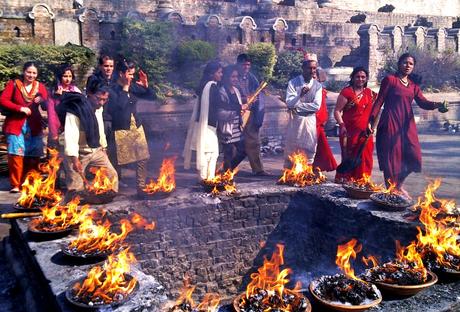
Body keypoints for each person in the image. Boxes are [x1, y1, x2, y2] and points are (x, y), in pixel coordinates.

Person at [369, 53, 448, 198]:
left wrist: (438, 105)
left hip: (407, 124)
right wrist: (371, 121)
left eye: (411, 64)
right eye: (405, 62)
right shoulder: (390, 80)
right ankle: (392, 189)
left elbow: (423, 102)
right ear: (399, 64)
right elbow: (379, 101)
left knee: (414, 156)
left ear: (413, 67)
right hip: (390, 122)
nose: (407, 66)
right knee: (391, 157)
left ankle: (398, 185)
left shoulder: (413, 86)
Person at [57, 80, 118, 195]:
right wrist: (74, 160)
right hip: (76, 153)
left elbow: (99, 127)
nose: (101, 102)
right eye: (98, 98)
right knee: (76, 187)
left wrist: (103, 148)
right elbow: (71, 135)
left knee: (111, 175)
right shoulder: (75, 109)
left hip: (94, 150)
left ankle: (106, 201)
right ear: (89, 94)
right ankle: (75, 209)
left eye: (104, 100)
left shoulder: (99, 107)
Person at [108, 60, 155, 195]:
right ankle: (113, 189)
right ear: (122, 74)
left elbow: (152, 97)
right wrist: (125, 89)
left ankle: (141, 187)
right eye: (130, 74)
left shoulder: (133, 86)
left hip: (136, 126)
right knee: (118, 161)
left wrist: (146, 85)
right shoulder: (112, 89)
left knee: (143, 157)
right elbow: (118, 107)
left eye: (133, 74)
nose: (132, 77)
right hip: (121, 127)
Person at [0, 61, 48, 193]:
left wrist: (43, 100)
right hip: (16, 124)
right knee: (16, 154)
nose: (31, 75)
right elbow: (3, 100)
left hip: (34, 125)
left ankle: (30, 183)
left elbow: (47, 104)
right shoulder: (14, 84)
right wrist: (19, 108)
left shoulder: (40, 87)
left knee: (34, 155)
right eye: (29, 72)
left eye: (34, 73)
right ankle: (16, 184)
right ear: (24, 72)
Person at [334, 67, 376, 182]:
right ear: (352, 78)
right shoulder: (346, 92)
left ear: (366, 79)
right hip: (349, 132)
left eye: (363, 77)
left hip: (365, 133)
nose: (360, 79)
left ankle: (362, 182)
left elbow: (376, 111)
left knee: (365, 158)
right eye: (357, 76)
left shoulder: (370, 94)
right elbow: (337, 111)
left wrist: (372, 126)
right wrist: (342, 125)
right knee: (350, 158)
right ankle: (347, 182)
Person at [183, 61, 223, 181]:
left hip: (200, 124)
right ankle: (207, 180)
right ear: (212, 73)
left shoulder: (204, 85)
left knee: (207, 153)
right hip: (208, 126)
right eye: (219, 72)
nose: (221, 75)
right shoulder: (213, 87)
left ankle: (204, 179)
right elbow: (218, 106)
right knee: (210, 154)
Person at [284, 56, 322, 166]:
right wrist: (299, 95)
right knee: (293, 146)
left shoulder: (317, 86)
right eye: (309, 68)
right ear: (303, 68)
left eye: (314, 68)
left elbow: (316, 106)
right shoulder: (293, 83)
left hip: (310, 119)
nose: (312, 71)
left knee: (309, 146)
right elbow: (289, 103)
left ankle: (306, 171)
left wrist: (297, 106)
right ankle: (290, 172)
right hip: (296, 119)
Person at [234, 54, 269, 176]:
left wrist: (258, 117)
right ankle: (225, 170)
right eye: (244, 64)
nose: (246, 67)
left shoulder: (252, 78)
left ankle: (258, 169)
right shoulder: (232, 76)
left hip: (249, 114)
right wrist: (245, 99)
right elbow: (230, 94)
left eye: (248, 64)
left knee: (253, 141)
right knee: (232, 144)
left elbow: (259, 96)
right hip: (234, 114)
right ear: (238, 64)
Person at [216, 65, 248, 171]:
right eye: (232, 77)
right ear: (227, 77)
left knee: (243, 151)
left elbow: (238, 108)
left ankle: (227, 173)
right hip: (227, 128)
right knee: (228, 155)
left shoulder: (236, 90)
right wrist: (236, 110)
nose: (235, 79)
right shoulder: (222, 91)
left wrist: (241, 110)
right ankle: (226, 177)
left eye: (236, 76)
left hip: (237, 128)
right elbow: (220, 112)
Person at [47, 64, 82, 149]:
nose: (68, 79)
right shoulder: (54, 92)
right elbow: (52, 114)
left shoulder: (75, 91)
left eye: (70, 76)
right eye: (65, 76)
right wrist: (54, 133)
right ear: (60, 77)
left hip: (72, 127)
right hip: (58, 129)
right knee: (55, 157)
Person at [312, 67, 337, 172]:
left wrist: (322, 119)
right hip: (307, 121)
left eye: (314, 76)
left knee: (319, 147)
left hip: (317, 121)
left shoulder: (320, 91)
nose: (313, 78)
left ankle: (316, 168)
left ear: (317, 78)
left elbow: (322, 107)